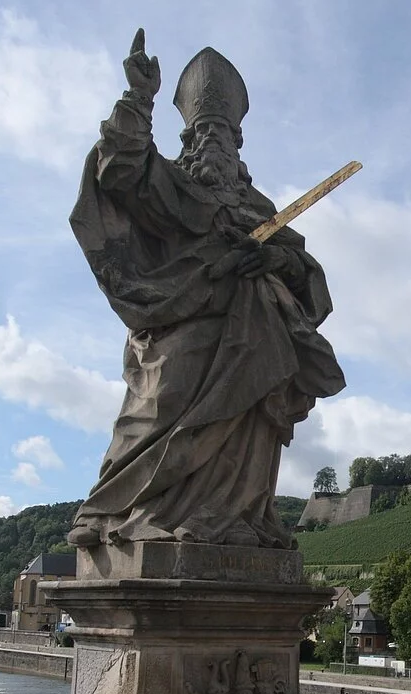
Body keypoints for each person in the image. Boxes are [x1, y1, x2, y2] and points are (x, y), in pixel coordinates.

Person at [65, 30, 345, 550]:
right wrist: (139, 100)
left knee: (248, 422)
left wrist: (274, 256)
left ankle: (232, 516)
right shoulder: (171, 183)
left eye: (222, 134)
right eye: (202, 133)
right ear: (187, 140)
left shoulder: (259, 208)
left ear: (238, 145)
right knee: (159, 401)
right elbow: (120, 172)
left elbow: (305, 269)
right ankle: (110, 507)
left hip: (254, 334)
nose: (210, 142)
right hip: (180, 321)